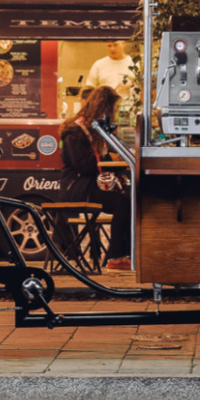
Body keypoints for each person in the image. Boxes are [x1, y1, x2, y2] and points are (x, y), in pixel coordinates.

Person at [58, 85, 131, 270]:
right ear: (104, 108)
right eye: (113, 107)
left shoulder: (94, 130)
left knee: (128, 201)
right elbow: (83, 164)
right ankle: (117, 256)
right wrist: (108, 161)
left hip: (86, 185)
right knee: (123, 203)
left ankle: (121, 254)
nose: (115, 111)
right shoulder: (76, 131)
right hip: (77, 188)